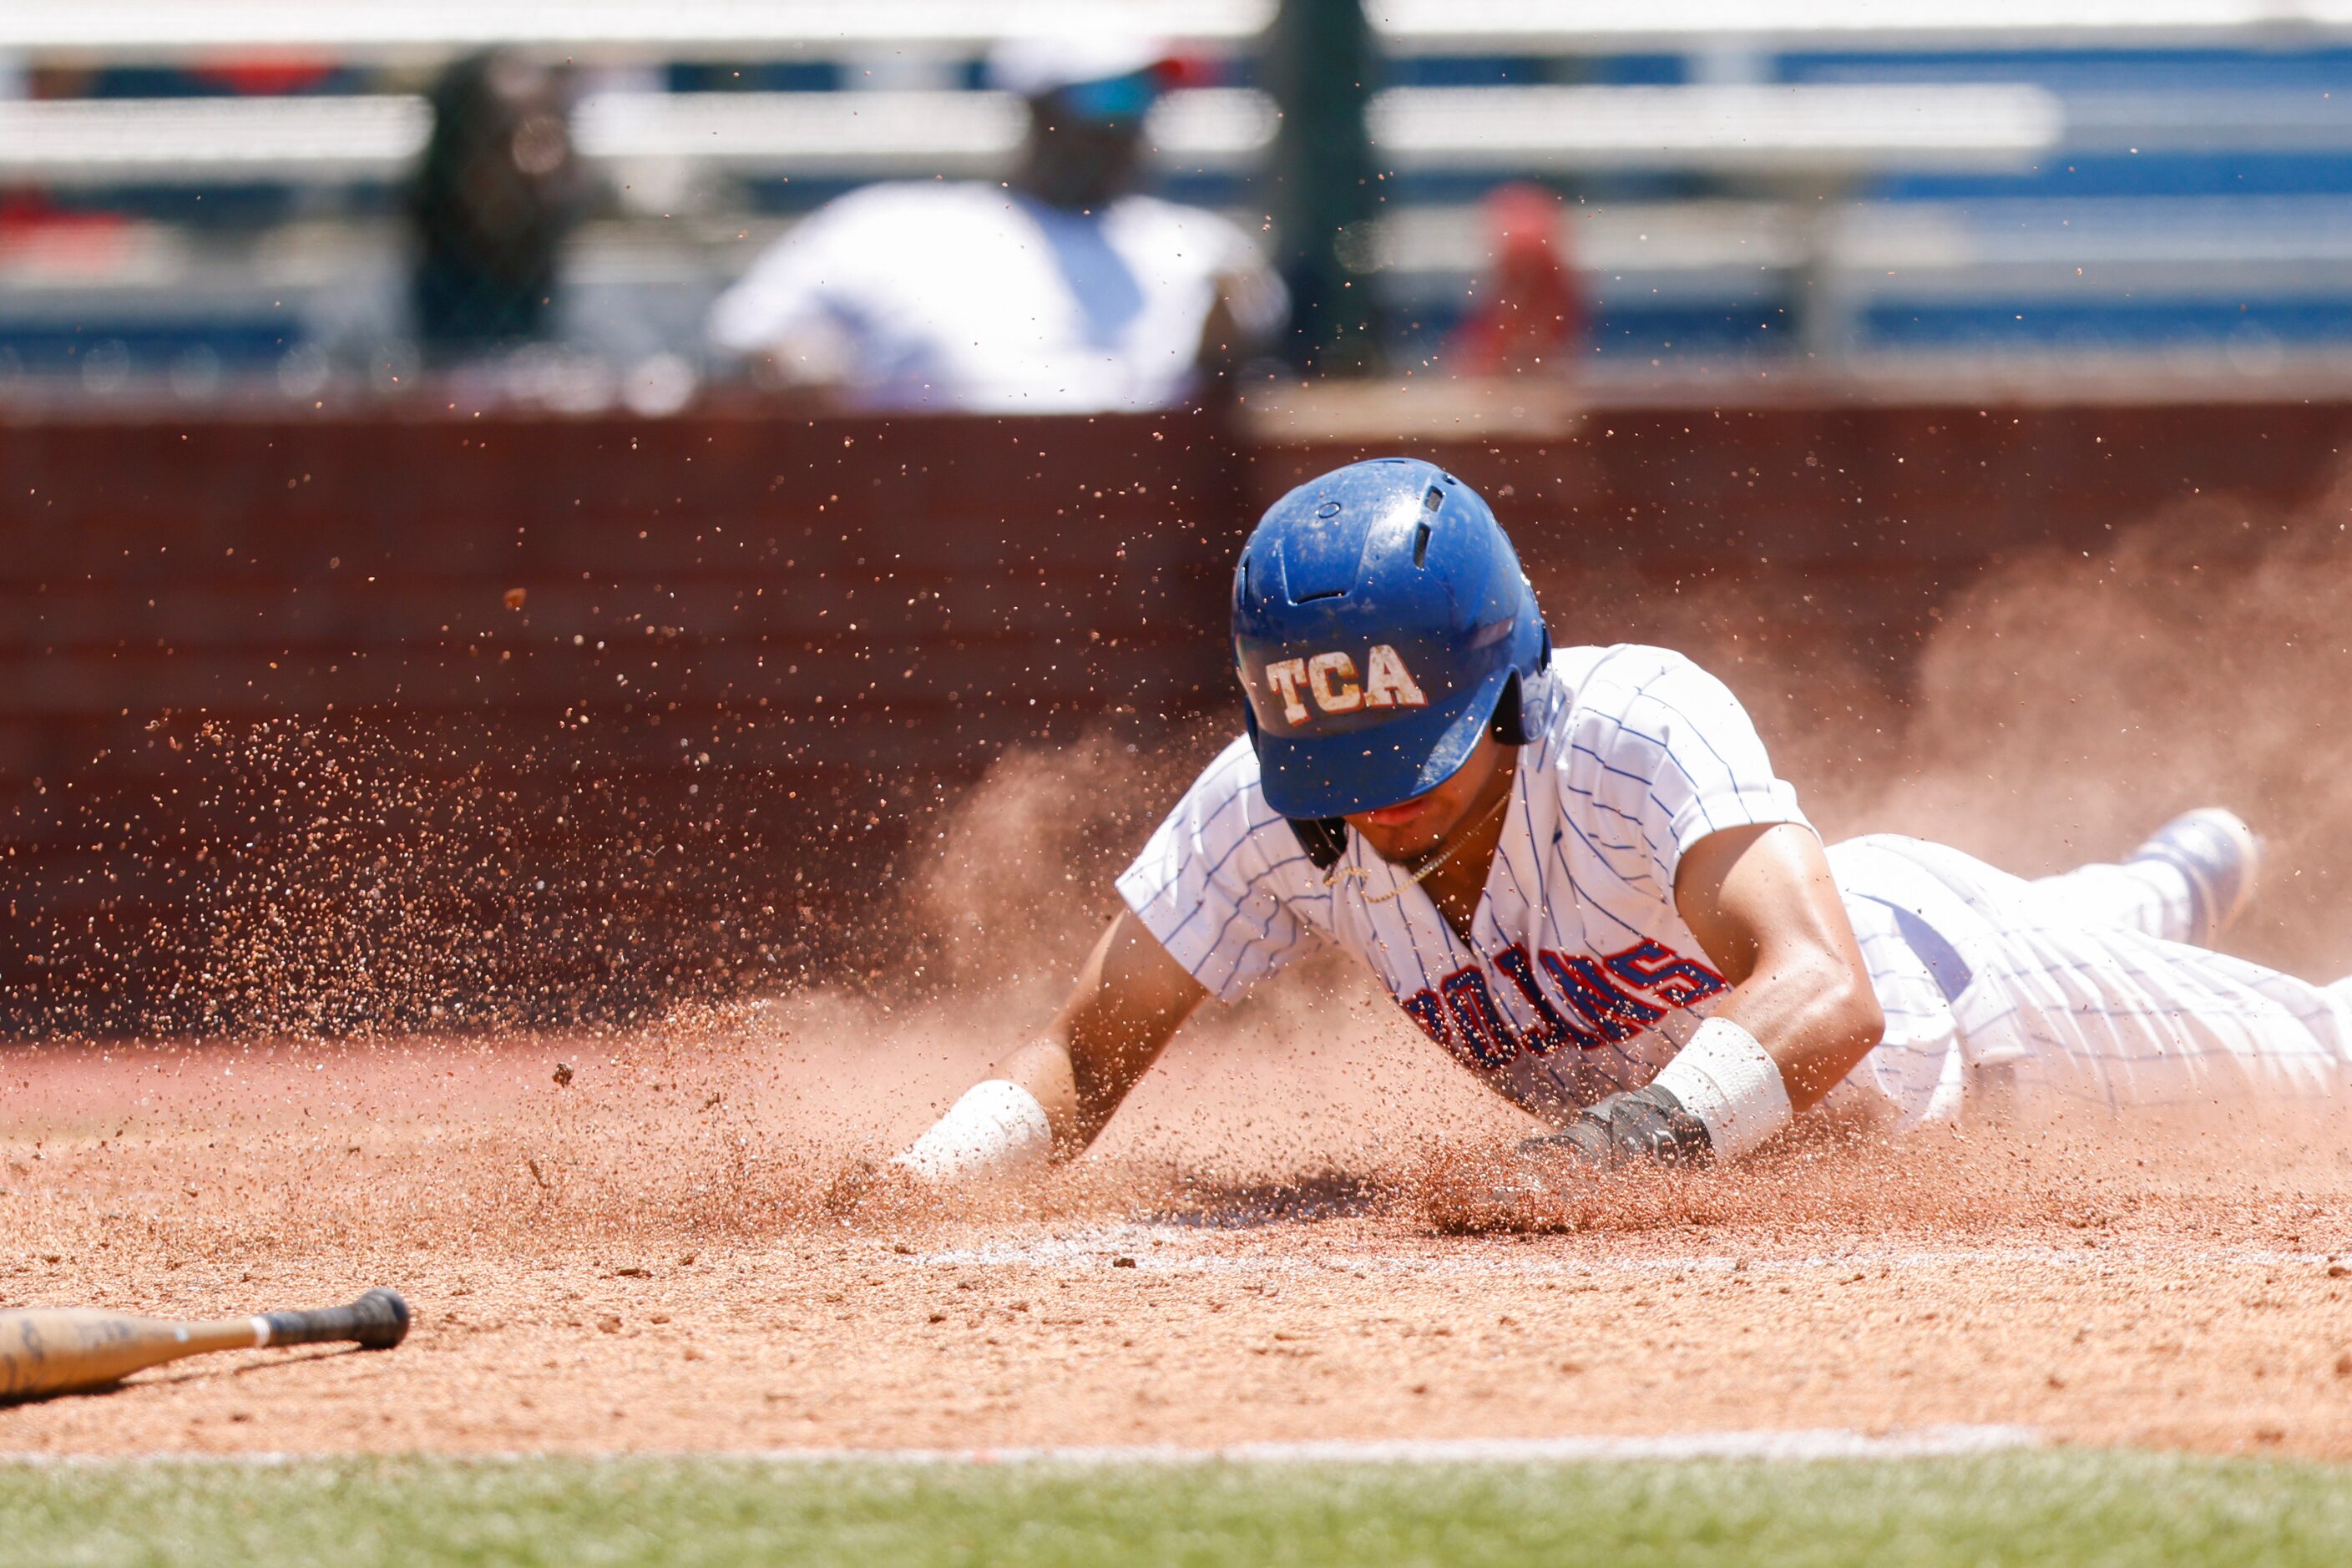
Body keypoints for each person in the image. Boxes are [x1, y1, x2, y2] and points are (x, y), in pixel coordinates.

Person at [884, 458, 2352, 1195]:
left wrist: (1621, 1143)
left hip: (1981, 1018)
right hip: (1855, 889)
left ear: (1508, 682)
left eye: (1419, 757)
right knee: (2052, 894)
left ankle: (2187, 877)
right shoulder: (1286, 796)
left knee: (2324, 1053)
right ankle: (2169, 876)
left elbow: (1830, 997)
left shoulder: (1638, 720)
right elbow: (1085, 1051)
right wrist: (919, 1183)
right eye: (1340, 772)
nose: (1377, 801)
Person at [706, 37, 1285, 412]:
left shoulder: (1202, 249)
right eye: (1108, 96)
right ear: (1037, 108)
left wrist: (1227, 346)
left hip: (1139, 565)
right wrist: (808, 370)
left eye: (1145, 96)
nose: (1129, 121)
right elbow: (755, 336)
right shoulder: (890, 228)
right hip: (917, 555)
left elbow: (1248, 381)